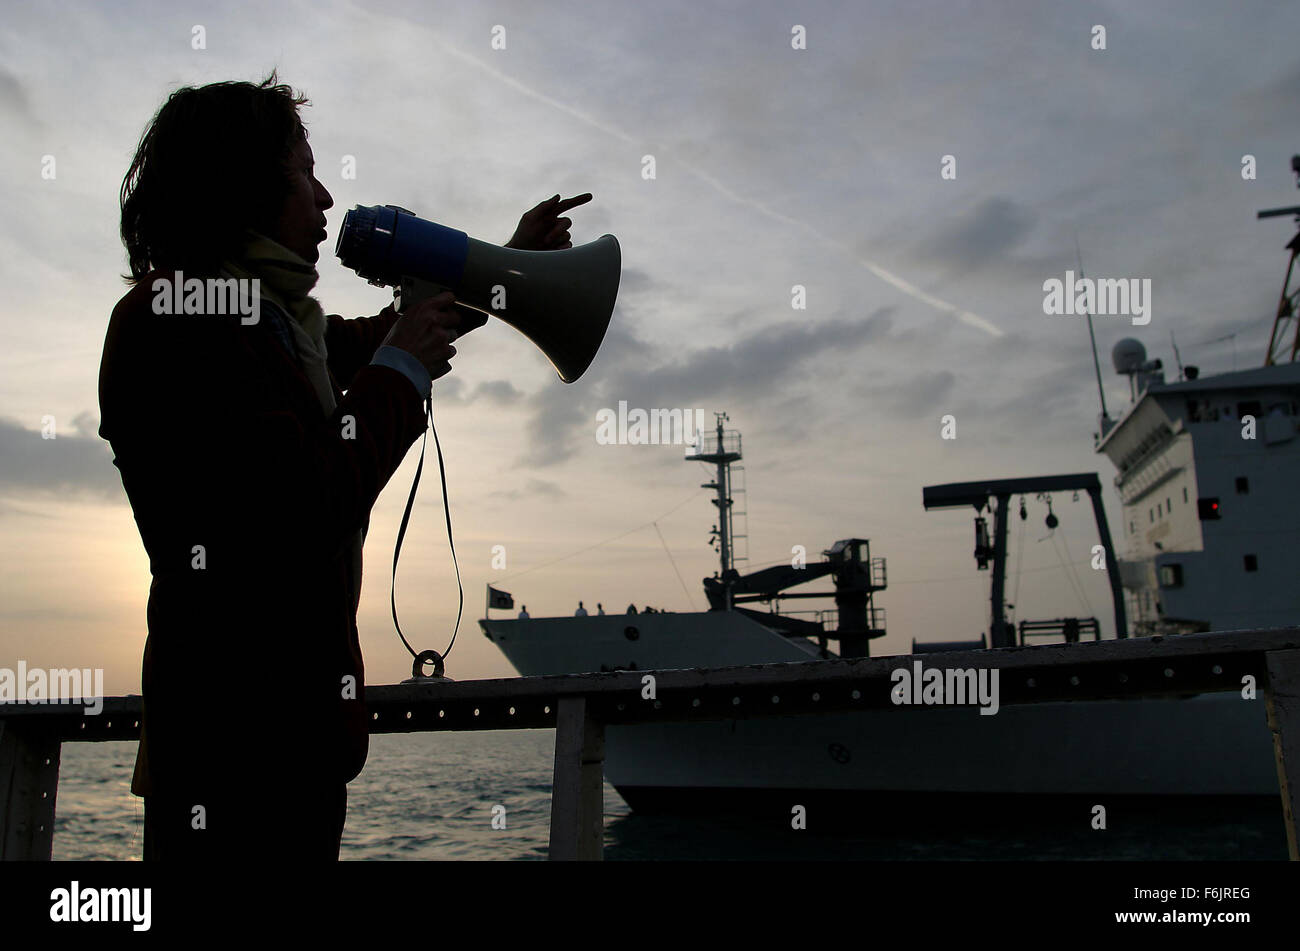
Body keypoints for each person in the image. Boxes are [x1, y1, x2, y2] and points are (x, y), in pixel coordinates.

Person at [99, 72, 592, 860]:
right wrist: (399, 373)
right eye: (304, 171)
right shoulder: (179, 318)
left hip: (285, 746)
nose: (325, 198)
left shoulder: (269, 325)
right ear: (244, 182)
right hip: (235, 752)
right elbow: (302, 510)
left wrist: (505, 269)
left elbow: (376, 341)